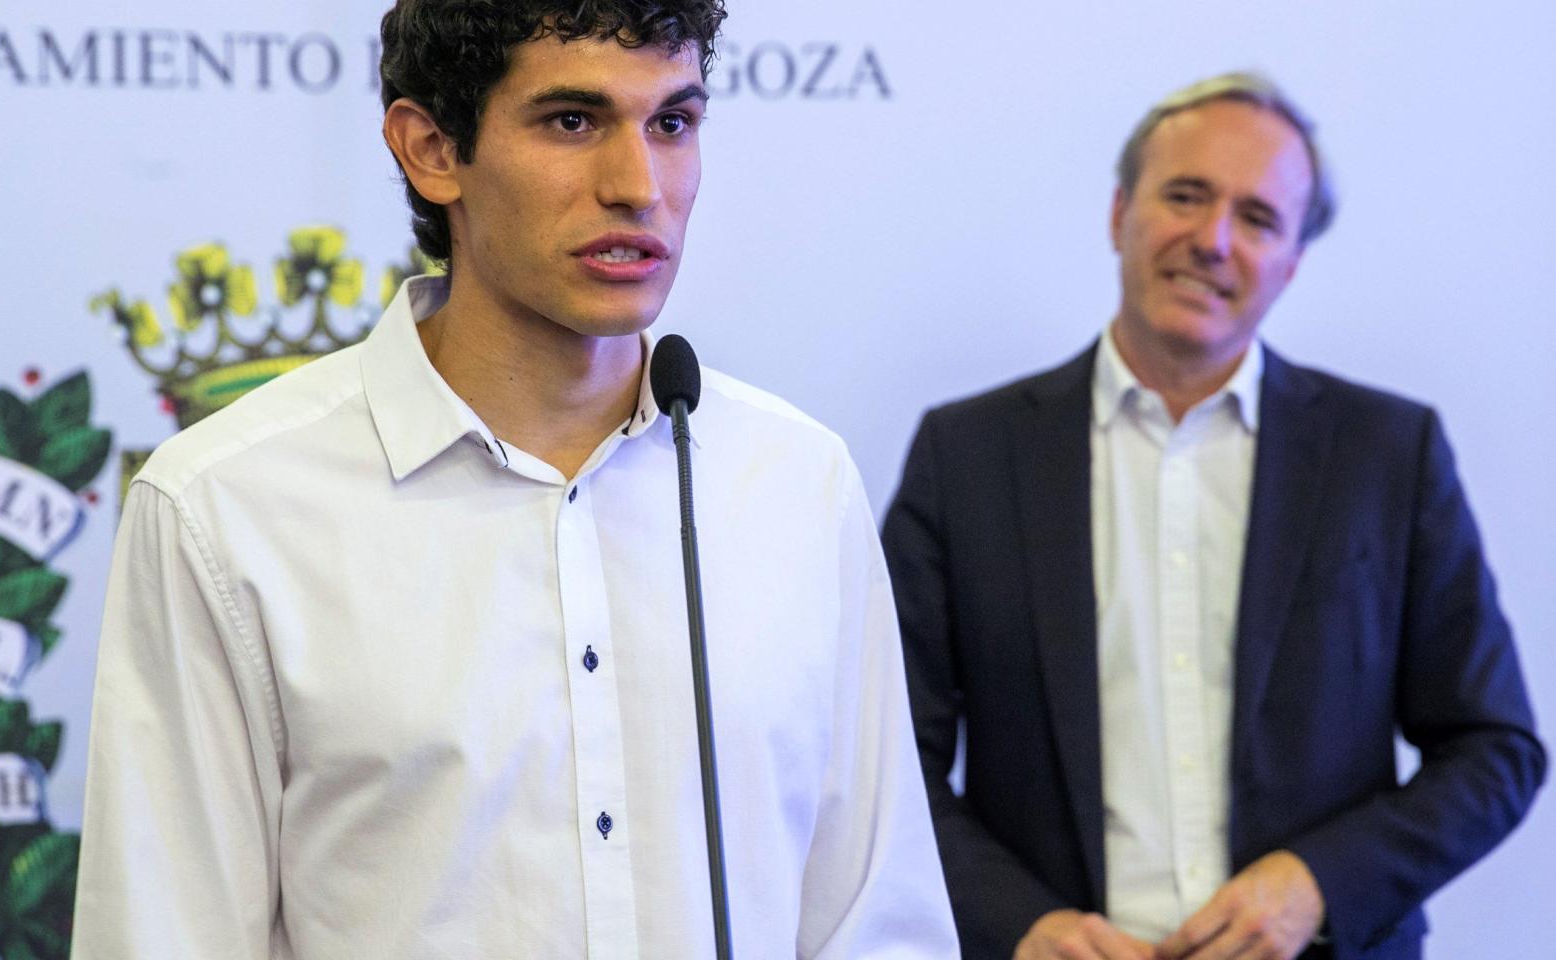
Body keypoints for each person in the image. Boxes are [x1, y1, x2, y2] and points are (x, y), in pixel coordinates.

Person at [71, 2, 958, 957]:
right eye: (573, 122)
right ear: (431, 149)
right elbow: (163, 933)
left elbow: (878, 924)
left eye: (673, 123)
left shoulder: (796, 480)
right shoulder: (225, 502)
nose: (639, 185)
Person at [881, 73, 1545, 960]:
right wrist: (1016, 923)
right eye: (1185, 196)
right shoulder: (967, 455)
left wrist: (1319, 884)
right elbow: (884, 760)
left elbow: (1495, 750)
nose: (1213, 241)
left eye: (1259, 219)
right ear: (1119, 213)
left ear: (1293, 261)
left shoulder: (1389, 454)